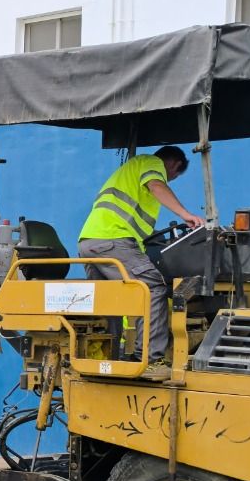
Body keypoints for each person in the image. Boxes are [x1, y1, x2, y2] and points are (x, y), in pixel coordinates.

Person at [77, 145, 204, 382]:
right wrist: (185, 214)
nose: (169, 180)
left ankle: (111, 358)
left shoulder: (129, 172)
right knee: (152, 287)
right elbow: (156, 185)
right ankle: (151, 361)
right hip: (113, 240)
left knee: (111, 300)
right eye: (173, 177)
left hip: (90, 242)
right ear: (174, 165)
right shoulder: (151, 163)